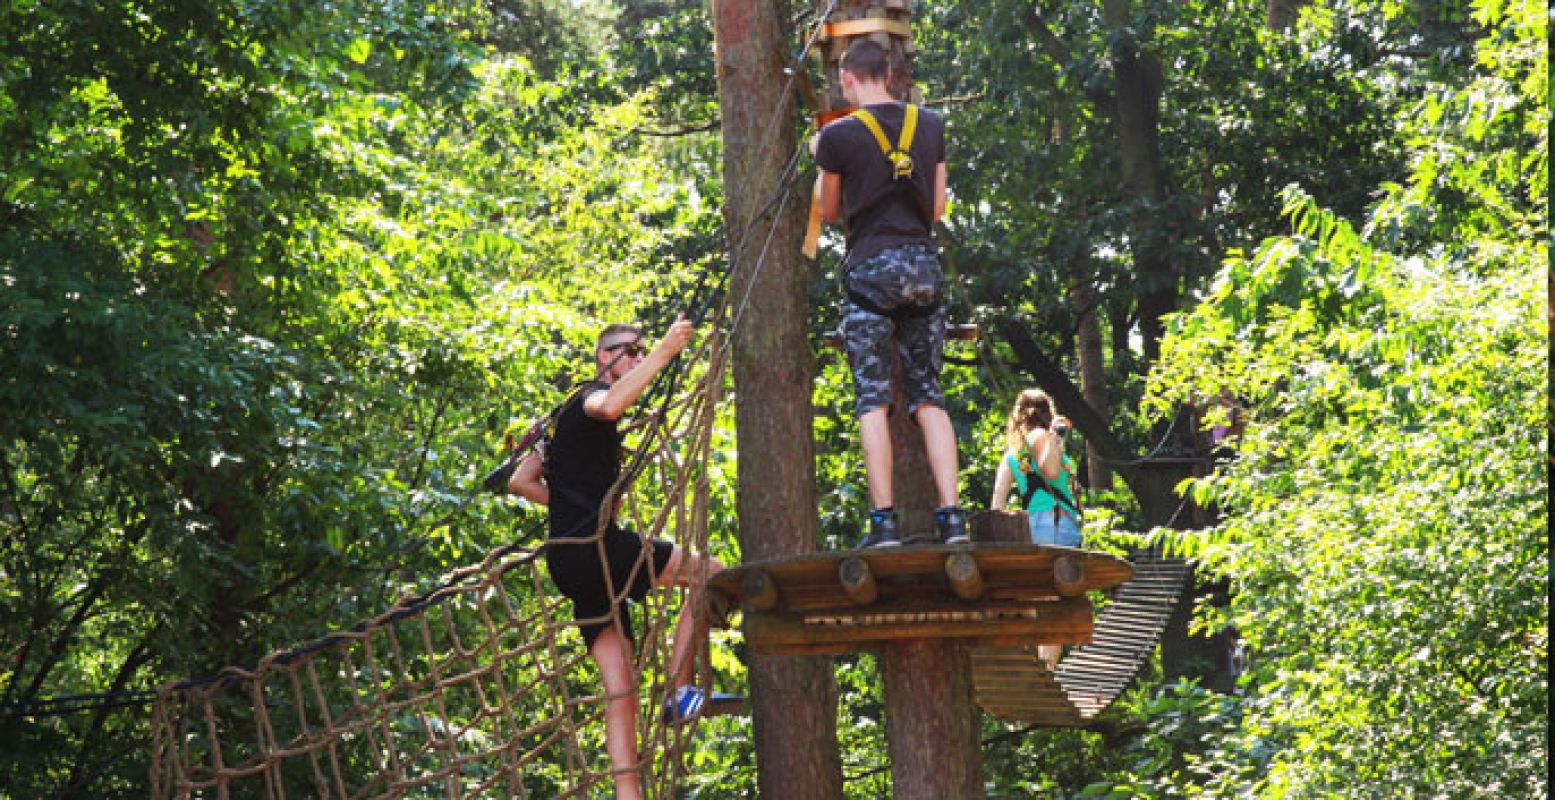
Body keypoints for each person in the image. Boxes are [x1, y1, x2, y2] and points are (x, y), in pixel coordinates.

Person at [486, 318, 727, 800]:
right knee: (713, 575)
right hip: (594, 550)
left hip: (569, 563)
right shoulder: (588, 397)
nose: (637, 357)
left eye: (640, 351)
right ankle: (681, 692)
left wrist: (574, 503)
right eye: (629, 351)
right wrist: (664, 353)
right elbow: (611, 402)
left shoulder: (563, 420)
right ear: (604, 357)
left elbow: (521, 480)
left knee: (621, 691)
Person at [811, 38, 964, 547]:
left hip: (870, 271)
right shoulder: (932, 124)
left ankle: (884, 523)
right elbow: (937, 208)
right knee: (929, 397)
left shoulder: (838, 136)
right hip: (923, 267)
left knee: (873, 400)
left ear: (848, 79)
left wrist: (820, 162)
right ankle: (952, 516)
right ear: (891, 76)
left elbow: (829, 211)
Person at [989, 389, 1082, 548]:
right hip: (1056, 523)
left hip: (1031, 526)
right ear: (1048, 412)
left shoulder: (1011, 454)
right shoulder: (1041, 435)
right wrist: (1055, 435)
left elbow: (997, 504)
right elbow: (1051, 472)